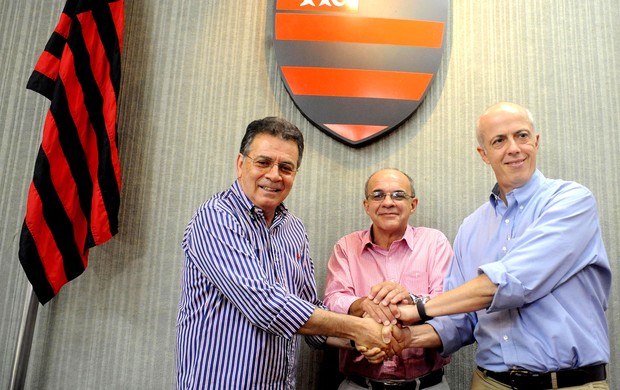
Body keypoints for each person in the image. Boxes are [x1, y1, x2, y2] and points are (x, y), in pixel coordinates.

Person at [373, 102, 610, 389]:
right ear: (483, 154)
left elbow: (509, 282)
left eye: (521, 136)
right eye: (499, 140)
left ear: (536, 141)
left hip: (568, 383)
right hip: (489, 382)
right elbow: (460, 320)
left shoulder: (571, 202)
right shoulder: (471, 227)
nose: (513, 148)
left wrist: (419, 308)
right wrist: (407, 339)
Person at [176, 117, 399, 390]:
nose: (274, 175)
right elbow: (263, 304)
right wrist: (357, 328)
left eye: (286, 167)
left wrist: (362, 341)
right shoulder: (216, 218)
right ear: (240, 164)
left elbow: (309, 309)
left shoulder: (293, 228)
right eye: (263, 162)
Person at [324, 168, 453, 390]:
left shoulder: (434, 243)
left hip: (427, 384)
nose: (388, 202)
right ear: (366, 206)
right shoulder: (346, 246)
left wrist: (410, 301)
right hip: (359, 384)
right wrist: (364, 305)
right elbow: (332, 301)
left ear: (413, 205)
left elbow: (449, 303)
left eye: (398, 195)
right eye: (378, 195)